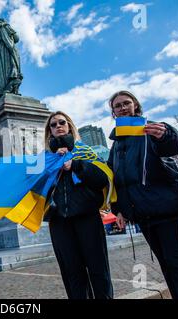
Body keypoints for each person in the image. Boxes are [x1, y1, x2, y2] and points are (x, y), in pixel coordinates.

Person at [108, 91, 178, 299]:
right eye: (118, 106)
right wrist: (118, 209)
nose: (122, 107)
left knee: (175, 260)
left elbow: (173, 144)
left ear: (136, 106)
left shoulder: (150, 128)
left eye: (126, 103)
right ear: (113, 113)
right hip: (141, 211)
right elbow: (116, 180)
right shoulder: (116, 145)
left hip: (163, 205)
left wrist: (165, 134)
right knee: (165, 263)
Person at [44, 111, 113, 299]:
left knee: (98, 270)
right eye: (53, 124)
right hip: (59, 222)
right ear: (49, 131)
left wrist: (75, 164)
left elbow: (101, 179)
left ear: (69, 126)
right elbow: (37, 188)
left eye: (62, 122)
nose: (58, 126)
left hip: (87, 217)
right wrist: (53, 165)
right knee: (72, 273)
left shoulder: (86, 151)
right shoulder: (45, 159)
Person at [0, 18, 23, 103]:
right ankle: (10, 88)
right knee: (13, 74)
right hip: (6, 60)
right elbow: (16, 39)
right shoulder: (4, 26)